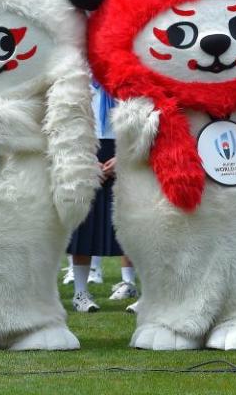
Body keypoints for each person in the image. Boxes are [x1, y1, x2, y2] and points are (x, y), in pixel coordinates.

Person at [68, 81, 136, 313]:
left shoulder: (124, 81)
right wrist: (84, 158)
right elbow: (65, 126)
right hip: (87, 153)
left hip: (122, 152)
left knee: (133, 223)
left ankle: (135, 287)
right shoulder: (78, 83)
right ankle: (80, 293)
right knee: (84, 225)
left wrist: (124, 157)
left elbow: (141, 123)